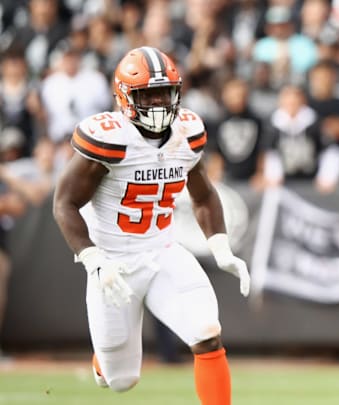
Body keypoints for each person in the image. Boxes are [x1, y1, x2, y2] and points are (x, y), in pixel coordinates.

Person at [52, 46, 251, 404]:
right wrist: (93, 258)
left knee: (206, 332)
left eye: (165, 93)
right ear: (125, 96)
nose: (158, 103)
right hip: (113, 261)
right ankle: (106, 359)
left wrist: (220, 246)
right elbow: (64, 203)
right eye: (148, 94)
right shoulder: (109, 137)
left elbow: (204, 194)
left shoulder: (187, 132)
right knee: (121, 380)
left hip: (163, 251)